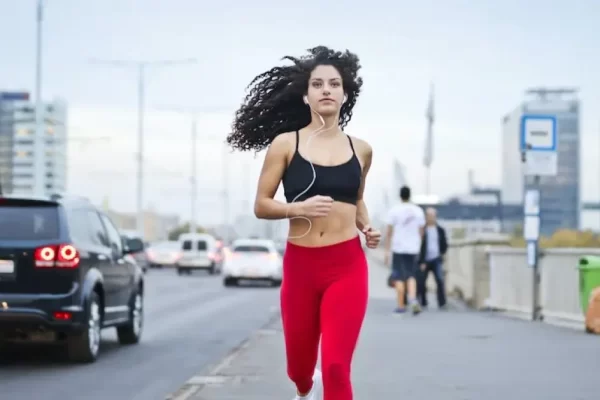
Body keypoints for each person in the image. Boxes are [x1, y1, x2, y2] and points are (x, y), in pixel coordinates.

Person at [227, 46, 381, 400]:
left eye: (334, 84)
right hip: (301, 266)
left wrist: (367, 227)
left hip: (346, 266)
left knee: (336, 367)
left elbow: (355, 199)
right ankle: (304, 390)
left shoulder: (362, 150)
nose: (326, 90)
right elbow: (261, 205)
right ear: (306, 94)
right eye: (317, 84)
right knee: (299, 368)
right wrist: (298, 209)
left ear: (346, 94)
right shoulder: (286, 144)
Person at [384, 186, 425, 315]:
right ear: (410, 195)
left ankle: (401, 305)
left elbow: (389, 232)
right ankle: (413, 299)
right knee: (411, 275)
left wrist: (387, 250)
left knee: (399, 277)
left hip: (398, 248)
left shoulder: (394, 210)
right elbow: (421, 232)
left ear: (400, 196)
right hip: (413, 248)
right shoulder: (418, 211)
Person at [416, 207, 448, 309]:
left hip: (436, 259)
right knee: (421, 282)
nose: (431, 218)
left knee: (439, 280)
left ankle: (442, 302)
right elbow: (419, 246)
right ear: (426, 217)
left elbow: (444, 244)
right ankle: (423, 302)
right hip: (425, 260)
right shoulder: (422, 230)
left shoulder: (440, 230)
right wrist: (421, 261)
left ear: (435, 217)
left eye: (433, 216)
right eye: (429, 216)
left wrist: (442, 253)